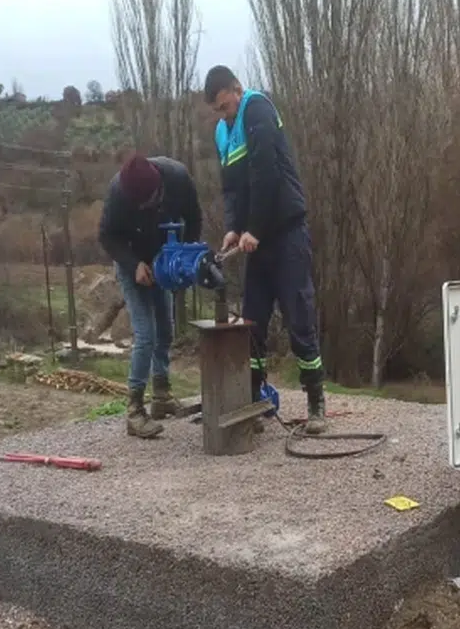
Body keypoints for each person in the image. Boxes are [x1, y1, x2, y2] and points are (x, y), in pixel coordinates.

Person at [203, 64, 328, 435]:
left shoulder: (257, 109)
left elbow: (266, 174)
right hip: (255, 241)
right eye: (218, 110)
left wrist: (253, 228)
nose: (224, 115)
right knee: (252, 322)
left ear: (237, 91)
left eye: (226, 106)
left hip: (286, 234)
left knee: (299, 316)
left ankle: (315, 402)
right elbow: (232, 189)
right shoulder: (223, 133)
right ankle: (253, 400)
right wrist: (232, 229)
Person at [98, 153, 203, 439]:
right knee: (146, 334)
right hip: (133, 263)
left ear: (159, 189)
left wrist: (182, 257)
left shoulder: (178, 177)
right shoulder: (119, 192)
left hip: (164, 259)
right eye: (138, 204)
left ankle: (162, 396)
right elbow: (107, 236)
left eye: (148, 202)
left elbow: (194, 219)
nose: (142, 206)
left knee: (166, 329)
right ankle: (134, 410)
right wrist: (134, 265)